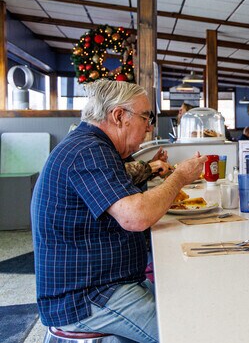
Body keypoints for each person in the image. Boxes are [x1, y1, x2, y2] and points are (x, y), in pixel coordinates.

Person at [31, 80, 207, 343]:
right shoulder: (89, 150)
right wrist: (180, 176)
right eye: (146, 117)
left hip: (106, 282)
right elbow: (136, 216)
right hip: (88, 296)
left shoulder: (93, 146)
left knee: (192, 304)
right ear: (118, 116)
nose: (149, 127)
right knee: (191, 333)